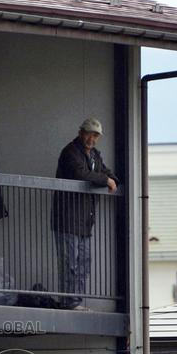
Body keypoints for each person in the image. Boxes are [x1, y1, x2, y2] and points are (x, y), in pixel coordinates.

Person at [53, 116, 119, 310]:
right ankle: (69, 302)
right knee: (69, 264)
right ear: (81, 133)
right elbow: (81, 174)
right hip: (67, 219)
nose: (92, 139)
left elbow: (107, 172)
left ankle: (77, 301)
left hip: (84, 222)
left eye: (96, 135)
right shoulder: (70, 152)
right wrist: (106, 180)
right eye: (90, 134)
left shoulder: (95, 155)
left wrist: (111, 179)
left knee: (83, 264)